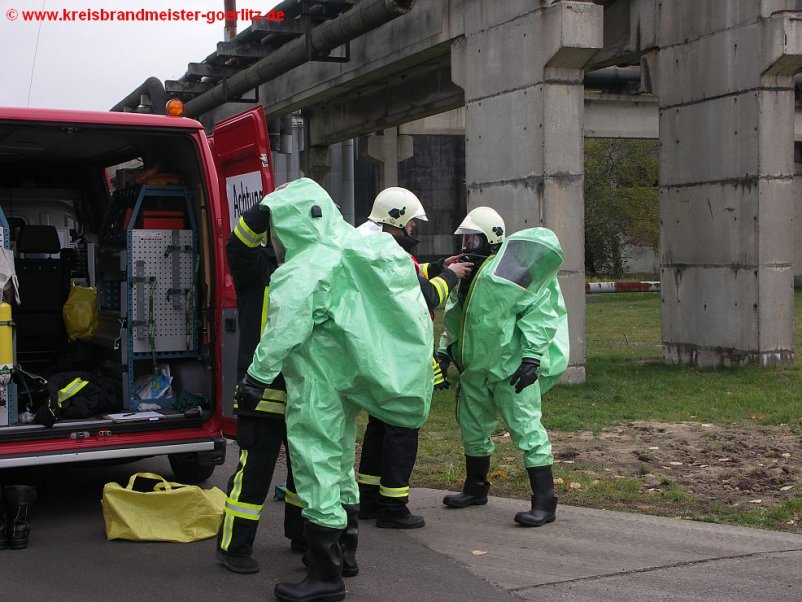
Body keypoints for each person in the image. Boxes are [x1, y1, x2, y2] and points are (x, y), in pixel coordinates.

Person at [236, 178, 433, 602]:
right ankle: (346, 552)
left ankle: (325, 576)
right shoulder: (362, 248)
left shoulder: (306, 266)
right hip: (351, 378)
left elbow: (283, 329)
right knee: (342, 460)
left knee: (316, 462)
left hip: (317, 381)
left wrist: (255, 377)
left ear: (292, 222)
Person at [437, 208, 569, 527]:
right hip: (475, 369)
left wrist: (532, 358)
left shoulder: (514, 269)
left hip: (509, 369)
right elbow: (455, 319)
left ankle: (544, 501)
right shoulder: (465, 277)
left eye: (473, 239)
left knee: (526, 428)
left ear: (492, 239)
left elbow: (541, 313)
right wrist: (443, 353)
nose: (467, 246)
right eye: (464, 239)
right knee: (472, 426)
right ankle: (476, 488)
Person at [355, 187, 473, 529]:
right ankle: (393, 508)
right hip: (400, 356)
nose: (414, 231)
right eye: (412, 225)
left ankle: (369, 500)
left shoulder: (371, 244)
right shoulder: (386, 250)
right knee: (402, 428)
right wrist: (451, 276)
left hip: (381, 353)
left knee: (380, 423)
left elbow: (405, 273)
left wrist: (438, 264)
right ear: (397, 220)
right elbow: (425, 296)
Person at [215, 202, 304, 575]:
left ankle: (301, 536)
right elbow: (238, 243)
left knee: (306, 471)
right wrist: (271, 206)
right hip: (261, 390)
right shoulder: (256, 268)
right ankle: (234, 547)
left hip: (303, 390)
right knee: (254, 472)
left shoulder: (310, 272)